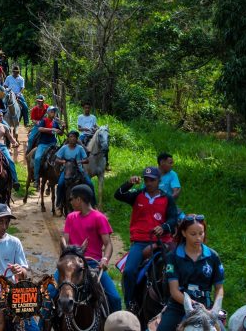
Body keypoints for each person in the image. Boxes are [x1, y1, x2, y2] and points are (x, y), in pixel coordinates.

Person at [113, 167, 178, 310]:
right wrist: (128, 183)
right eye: (146, 180)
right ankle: (130, 303)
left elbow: (174, 218)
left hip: (163, 242)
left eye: (152, 180)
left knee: (177, 267)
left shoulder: (167, 198)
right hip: (141, 242)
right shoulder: (137, 196)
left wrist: (164, 227)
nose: (148, 183)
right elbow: (118, 195)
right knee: (129, 271)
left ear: (158, 181)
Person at [157, 214, 224, 331]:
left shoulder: (213, 256)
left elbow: (219, 288)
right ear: (184, 233)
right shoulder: (173, 257)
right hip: (179, 306)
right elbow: (174, 290)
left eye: (201, 233)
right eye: (193, 234)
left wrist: (214, 309)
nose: (198, 238)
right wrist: (195, 306)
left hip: (206, 307)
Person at [61, 184, 122, 312]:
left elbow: (108, 244)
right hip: (71, 264)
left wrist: (104, 259)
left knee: (115, 298)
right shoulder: (70, 217)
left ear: (79, 200)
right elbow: (64, 238)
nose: (70, 202)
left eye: (71, 199)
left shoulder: (99, 218)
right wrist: (65, 252)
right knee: (49, 293)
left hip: (92, 264)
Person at [55, 130, 97, 207]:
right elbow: (57, 159)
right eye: (71, 137)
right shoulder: (64, 148)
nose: (73, 138)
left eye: (74, 137)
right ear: (68, 138)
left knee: (90, 183)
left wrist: (80, 161)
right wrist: (63, 161)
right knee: (60, 184)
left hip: (79, 169)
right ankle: (59, 203)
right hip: (66, 169)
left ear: (77, 139)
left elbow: (86, 160)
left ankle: (94, 203)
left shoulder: (80, 148)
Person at [32, 106, 63, 190]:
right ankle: (36, 179)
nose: (53, 113)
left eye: (54, 112)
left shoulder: (56, 122)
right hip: (43, 144)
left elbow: (60, 133)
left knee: (60, 158)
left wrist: (62, 127)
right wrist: (51, 129)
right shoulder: (44, 120)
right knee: (37, 158)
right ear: (48, 112)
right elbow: (40, 129)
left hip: (53, 143)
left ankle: (59, 176)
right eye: (52, 112)